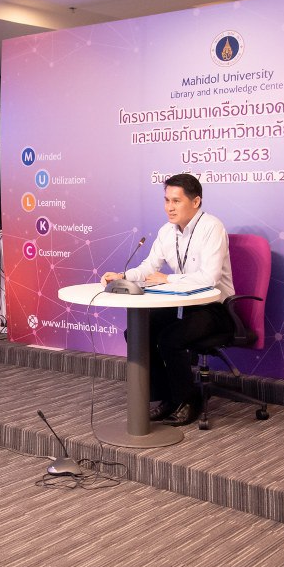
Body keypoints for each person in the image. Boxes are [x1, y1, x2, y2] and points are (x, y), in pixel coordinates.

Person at [100, 173, 234, 426]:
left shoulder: (211, 227)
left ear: (195, 202)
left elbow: (210, 278)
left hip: (214, 308)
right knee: (138, 333)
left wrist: (168, 279)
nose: (169, 207)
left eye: (176, 201)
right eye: (166, 200)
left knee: (170, 339)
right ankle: (168, 398)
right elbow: (149, 266)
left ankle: (189, 400)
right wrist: (123, 276)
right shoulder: (166, 231)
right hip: (182, 304)